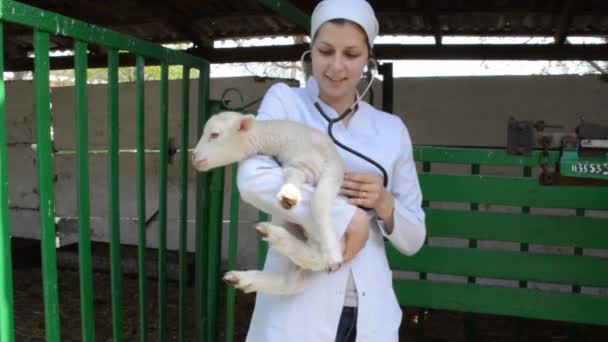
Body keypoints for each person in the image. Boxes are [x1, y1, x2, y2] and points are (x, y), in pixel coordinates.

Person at [236, 0, 426, 341]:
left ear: (368, 57)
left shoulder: (391, 129)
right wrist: (343, 216)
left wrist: (384, 203)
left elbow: (414, 239)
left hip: (370, 311)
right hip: (298, 309)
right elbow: (252, 180)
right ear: (310, 51)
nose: (336, 66)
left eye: (351, 54)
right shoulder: (286, 103)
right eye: (326, 51)